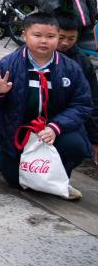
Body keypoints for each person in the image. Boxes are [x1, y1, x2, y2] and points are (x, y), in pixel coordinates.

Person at [0, 12, 93, 200]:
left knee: (75, 146)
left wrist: (55, 127)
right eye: (37, 35)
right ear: (24, 35)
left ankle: (58, 179)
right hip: (17, 129)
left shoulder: (70, 67)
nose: (44, 41)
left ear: (57, 36)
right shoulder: (9, 63)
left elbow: (82, 104)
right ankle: (1, 152)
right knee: (17, 182)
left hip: (53, 128)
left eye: (51, 36)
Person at [55, 14, 98, 165]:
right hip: (33, 119)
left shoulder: (82, 62)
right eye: (61, 37)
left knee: (77, 148)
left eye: (71, 38)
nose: (65, 43)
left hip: (67, 119)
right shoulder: (27, 56)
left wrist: (95, 139)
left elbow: (92, 100)